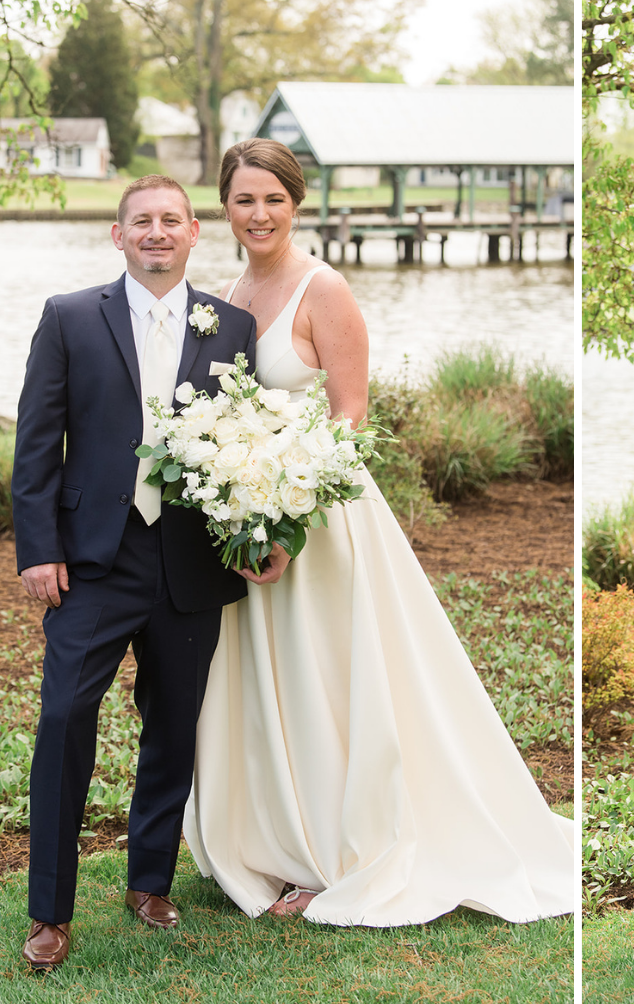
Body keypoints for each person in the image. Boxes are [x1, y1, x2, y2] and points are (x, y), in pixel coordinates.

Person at [182, 138, 575, 926]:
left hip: (319, 519)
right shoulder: (225, 291)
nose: (259, 214)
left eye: (274, 200)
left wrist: (292, 515)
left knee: (328, 675)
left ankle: (339, 851)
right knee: (268, 680)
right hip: (244, 514)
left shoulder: (322, 289)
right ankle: (280, 838)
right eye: (243, 200)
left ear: (297, 204)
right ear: (222, 208)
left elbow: (349, 415)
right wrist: (232, 497)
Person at [12, 175, 260, 970]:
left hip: (188, 560)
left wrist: (255, 533)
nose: (156, 232)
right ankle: (50, 910)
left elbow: (243, 440)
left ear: (195, 233)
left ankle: (149, 879)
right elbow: (35, 443)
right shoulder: (69, 317)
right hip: (92, 560)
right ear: (117, 237)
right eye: (140, 222)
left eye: (170, 221)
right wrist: (38, 548)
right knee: (62, 721)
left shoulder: (233, 325)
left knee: (173, 722)